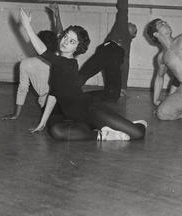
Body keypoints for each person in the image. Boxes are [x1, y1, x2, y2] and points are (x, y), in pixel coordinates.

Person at [18, 9, 147, 142]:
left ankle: (135, 124)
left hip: (91, 110)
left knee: (137, 134)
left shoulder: (69, 64)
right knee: (56, 131)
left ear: (77, 48)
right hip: (74, 118)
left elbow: (44, 52)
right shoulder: (57, 64)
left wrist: (27, 26)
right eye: (66, 36)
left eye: (72, 41)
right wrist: (43, 122)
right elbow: (54, 94)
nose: (66, 41)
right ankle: (101, 135)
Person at [77, 0, 137, 103]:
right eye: (130, 23)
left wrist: (123, 87)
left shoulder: (126, 45)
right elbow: (123, 9)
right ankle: (70, 90)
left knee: (113, 95)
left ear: (133, 35)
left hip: (114, 56)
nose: (131, 23)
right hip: (108, 49)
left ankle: (82, 98)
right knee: (85, 74)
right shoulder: (121, 27)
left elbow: (125, 66)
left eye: (134, 26)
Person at [2, 3, 63, 120]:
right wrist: (57, 15)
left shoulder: (26, 63)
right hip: (64, 100)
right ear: (56, 46)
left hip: (47, 104)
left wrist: (16, 114)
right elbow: (60, 35)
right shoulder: (60, 58)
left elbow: (23, 88)